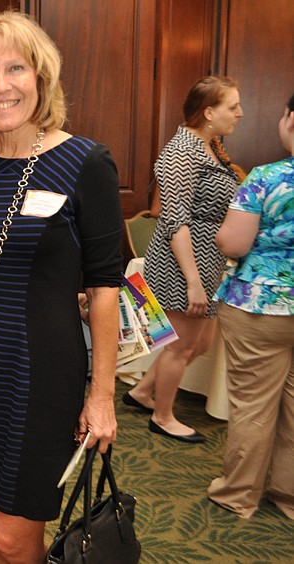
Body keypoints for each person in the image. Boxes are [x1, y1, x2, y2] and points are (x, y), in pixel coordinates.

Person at [0, 12, 123, 562]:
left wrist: (101, 397)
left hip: (38, 372)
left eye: (15, 69)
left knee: (12, 533)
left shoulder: (85, 162)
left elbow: (103, 288)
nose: (1, 86)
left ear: (41, 78)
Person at [125, 75, 243, 443]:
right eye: (233, 106)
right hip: (182, 261)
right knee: (181, 345)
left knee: (201, 344)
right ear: (209, 112)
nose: (240, 113)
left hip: (207, 259)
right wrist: (192, 280)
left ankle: (143, 392)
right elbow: (174, 220)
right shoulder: (181, 152)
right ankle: (162, 415)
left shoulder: (209, 146)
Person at [207, 92, 294, 520]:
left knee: (254, 406)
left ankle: (238, 494)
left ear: (291, 119)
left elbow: (233, 242)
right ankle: (288, 494)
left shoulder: (267, 177)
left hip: (262, 306)